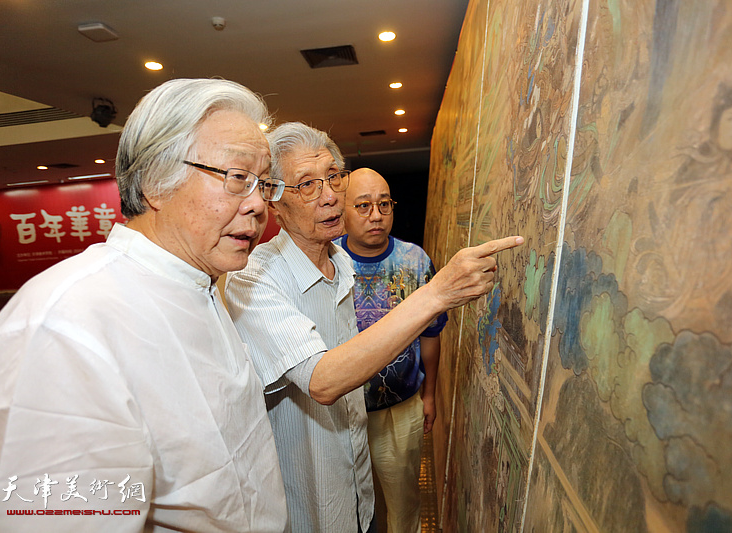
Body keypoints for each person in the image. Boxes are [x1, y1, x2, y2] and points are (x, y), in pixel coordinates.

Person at [0, 78, 288, 532]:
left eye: (264, 183)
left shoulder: (198, 284)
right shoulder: (69, 325)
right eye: (238, 178)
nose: (259, 204)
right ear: (155, 183)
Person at [224, 122, 524, 533]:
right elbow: (324, 380)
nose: (330, 195)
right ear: (274, 200)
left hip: (356, 489)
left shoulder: (341, 262)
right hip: (307, 505)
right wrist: (436, 294)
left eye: (333, 176)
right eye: (307, 184)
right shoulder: (252, 279)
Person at [337, 167, 444, 533]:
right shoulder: (326, 261)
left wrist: (429, 395)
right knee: (347, 506)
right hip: (338, 413)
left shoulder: (415, 261)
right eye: (363, 206)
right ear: (342, 210)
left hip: (400, 409)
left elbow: (432, 334)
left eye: (384, 204)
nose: (376, 216)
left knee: (403, 503)